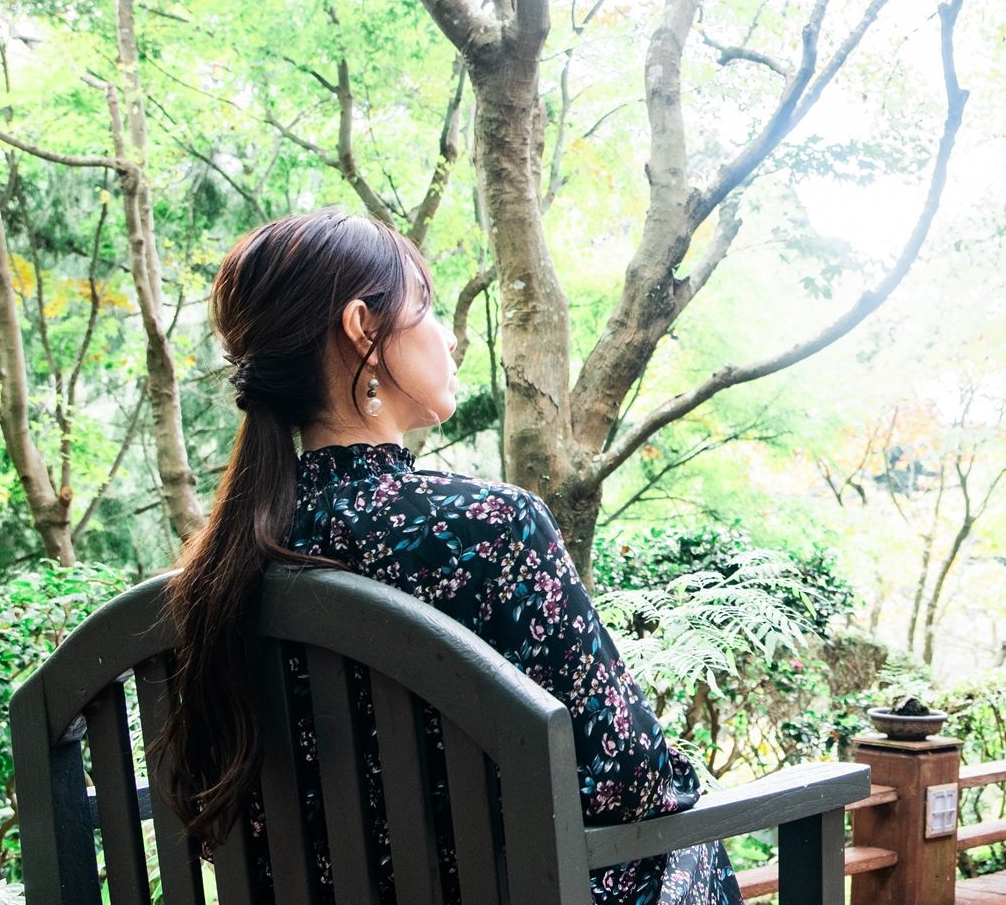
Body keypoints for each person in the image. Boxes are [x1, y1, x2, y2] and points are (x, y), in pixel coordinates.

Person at [153, 209, 741, 905]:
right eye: (425, 308)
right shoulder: (490, 530)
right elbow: (630, 782)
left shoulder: (221, 571)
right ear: (362, 328)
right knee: (691, 845)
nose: (449, 336)